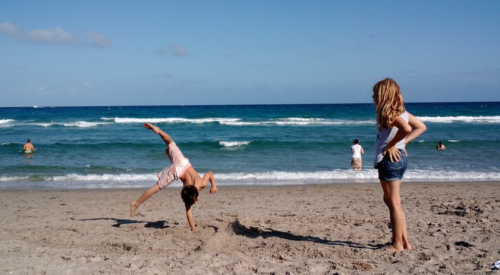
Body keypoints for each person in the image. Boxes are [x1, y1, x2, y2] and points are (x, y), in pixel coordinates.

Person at [372, 78, 427, 251]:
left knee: (393, 202)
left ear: (383, 96)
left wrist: (391, 145)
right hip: (399, 159)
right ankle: (404, 242)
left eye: (375, 94)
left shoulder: (389, 115)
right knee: (392, 200)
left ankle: (397, 244)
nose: (373, 97)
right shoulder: (403, 113)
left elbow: (407, 129)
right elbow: (421, 127)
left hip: (390, 160)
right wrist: (402, 144)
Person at [130, 123, 217, 231]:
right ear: (195, 198)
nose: (196, 201)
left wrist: (213, 186)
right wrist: (193, 229)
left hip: (182, 162)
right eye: (195, 200)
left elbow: (209, 173)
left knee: (170, 142)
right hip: (176, 172)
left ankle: (159, 131)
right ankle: (135, 204)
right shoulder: (187, 194)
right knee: (156, 188)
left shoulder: (201, 184)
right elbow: (188, 213)